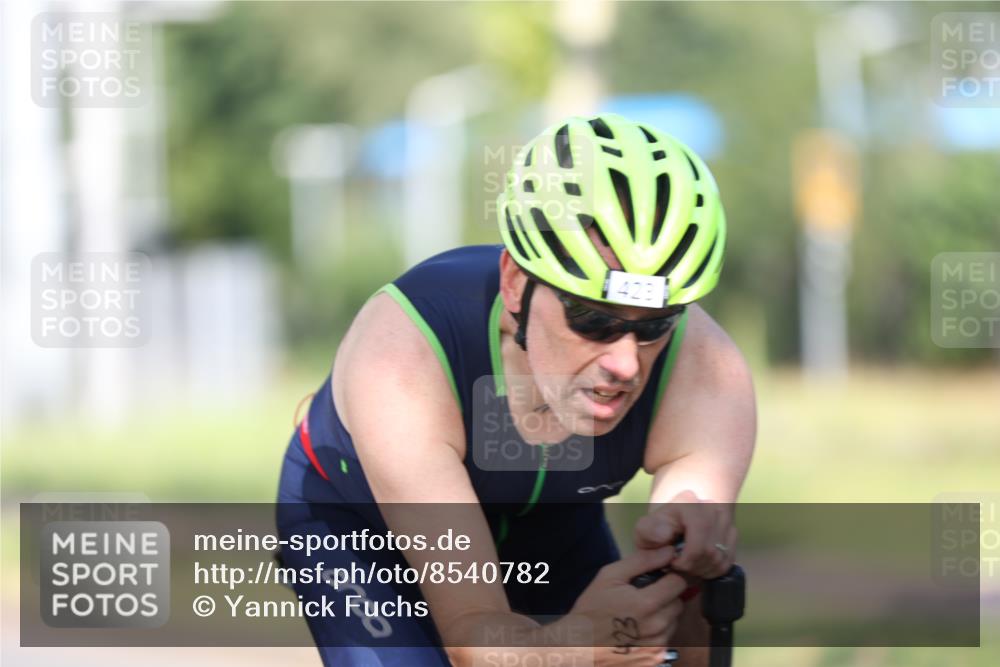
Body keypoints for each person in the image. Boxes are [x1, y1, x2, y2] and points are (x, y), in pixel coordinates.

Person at [276, 113, 756, 667]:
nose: (626, 363)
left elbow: (691, 639)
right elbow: (474, 639)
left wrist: (693, 569)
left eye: (655, 325)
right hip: (360, 531)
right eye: (592, 319)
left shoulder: (707, 371)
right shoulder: (402, 354)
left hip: (552, 527)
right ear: (515, 283)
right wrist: (575, 647)